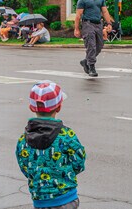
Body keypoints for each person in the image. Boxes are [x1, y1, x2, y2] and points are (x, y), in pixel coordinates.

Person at [16, 81, 86, 209]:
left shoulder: (23, 140)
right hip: (66, 198)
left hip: (40, 201)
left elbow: (25, 167)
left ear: (31, 107)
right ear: (59, 107)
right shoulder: (66, 135)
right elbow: (79, 163)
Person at [74, 0, 114, 77]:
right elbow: (78, 15)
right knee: (91, 45)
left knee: (99, 46)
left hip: (98, 24)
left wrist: (109, 23)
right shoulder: (83, 0)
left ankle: (85, 61)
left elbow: (104, 12)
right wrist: (77, 29)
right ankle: (91, 67)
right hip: (88, 24)